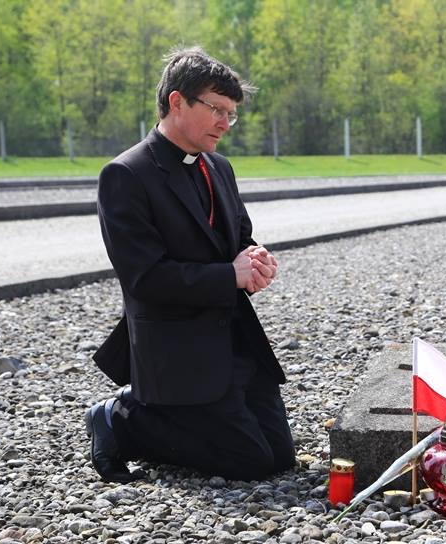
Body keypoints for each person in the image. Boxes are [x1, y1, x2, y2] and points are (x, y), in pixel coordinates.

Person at [87, 47, 295, 483]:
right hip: (177, 352)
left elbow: (238, 240)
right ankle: (122, 416)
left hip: (234, 342)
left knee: (280, 458)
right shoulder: (125, 174)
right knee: (251, 463)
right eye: (217, 109)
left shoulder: (218, 166)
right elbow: (145, 278)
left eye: (231, 114)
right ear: (177, 101)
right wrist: (230, 275)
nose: (225, 123)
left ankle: (169, 413)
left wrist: (255, 260)